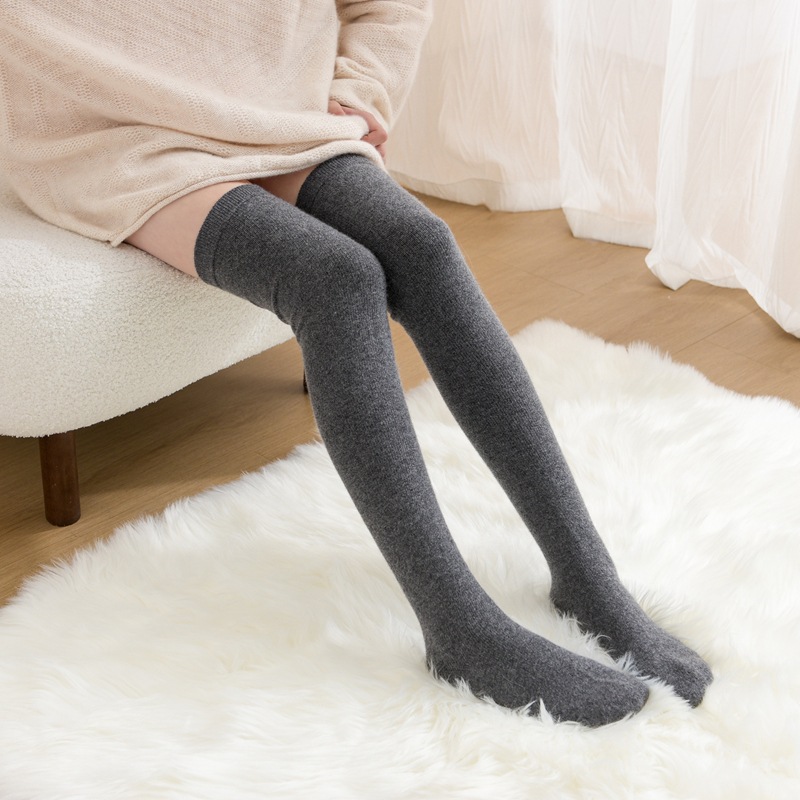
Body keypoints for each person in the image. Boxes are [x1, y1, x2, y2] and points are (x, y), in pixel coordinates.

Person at [0, 0, 711, 727]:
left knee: (422, 246)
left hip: (274, 113)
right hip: (112, 135)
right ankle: (460, 628)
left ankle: (587, 578)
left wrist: (364, 85)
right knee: (332, 279)